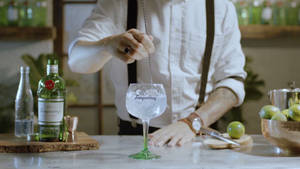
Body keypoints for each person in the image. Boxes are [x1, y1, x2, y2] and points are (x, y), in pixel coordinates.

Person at [68, 0, 246, 147]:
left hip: (199, 136)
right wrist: (107, 45)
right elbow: (76, 59)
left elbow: (233, 81)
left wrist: (193, 123)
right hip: (134, 139)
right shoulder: (118, 3)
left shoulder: (220, 7)